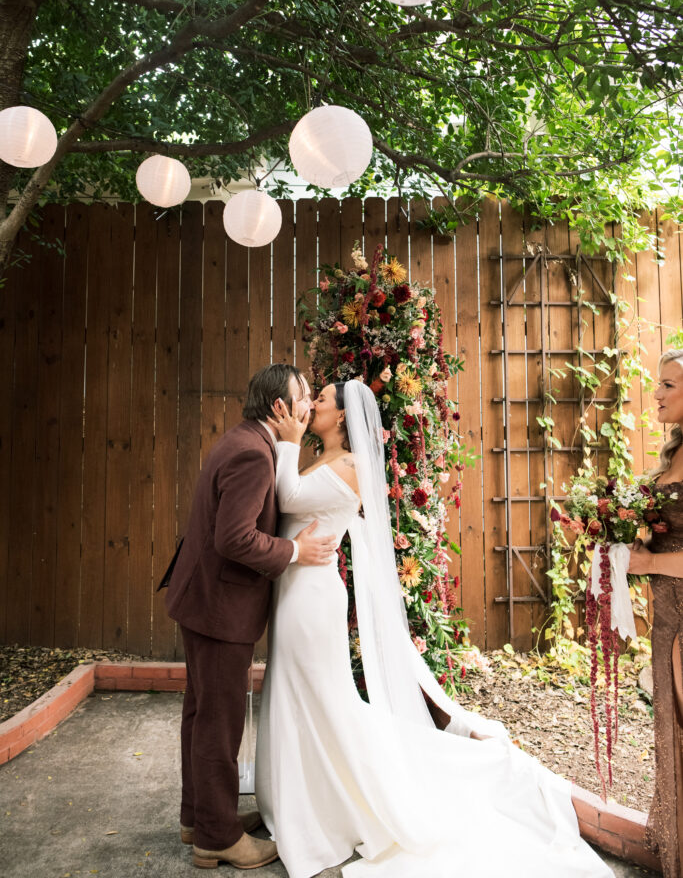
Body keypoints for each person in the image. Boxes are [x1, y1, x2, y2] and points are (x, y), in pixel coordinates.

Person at [255, 379, 614, 878]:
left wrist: (286, 440)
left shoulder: (352, 467)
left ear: (340, 417)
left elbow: (288, 495)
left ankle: (329, 809)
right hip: (294, 594)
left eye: (320, 400)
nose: (311, 404)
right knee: (295, 694)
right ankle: (295, 797)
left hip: (312, 601)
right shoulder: (323, 457)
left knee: (321, 698)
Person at [165, 363, 339, 871]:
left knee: (202, 716)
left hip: (202, 600)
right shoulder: (252, 454)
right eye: (304, 395)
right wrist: (293, 551)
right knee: (219, 724)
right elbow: (234, 537)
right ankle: (216, 838)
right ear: (280, 408)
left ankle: (199, 816)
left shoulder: (245, 440)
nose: (309, 404)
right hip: (219, 608)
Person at [628, 347, 683, 878]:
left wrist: (651, 559)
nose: (657, 393)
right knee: (670, 725)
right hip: (666, 611)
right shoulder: (670, 457)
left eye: (668, 384)